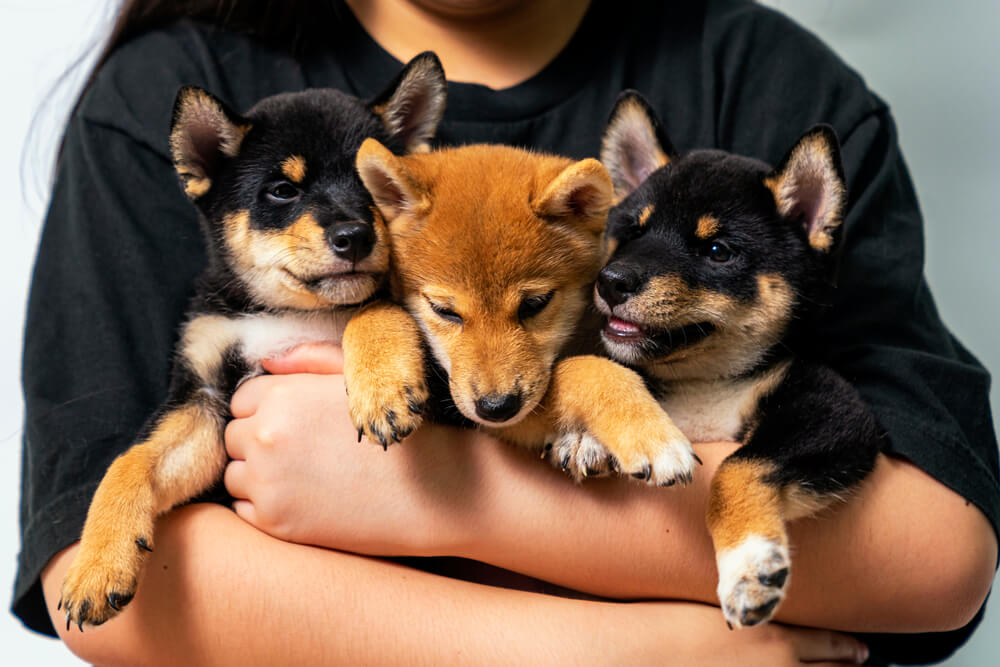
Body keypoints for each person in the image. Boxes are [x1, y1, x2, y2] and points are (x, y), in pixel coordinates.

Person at [15, 0, 998, 664]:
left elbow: (941, 552)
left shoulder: (765, 80)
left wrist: (446, 495)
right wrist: (602, 651)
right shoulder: (176, 87)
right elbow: (95, 585)